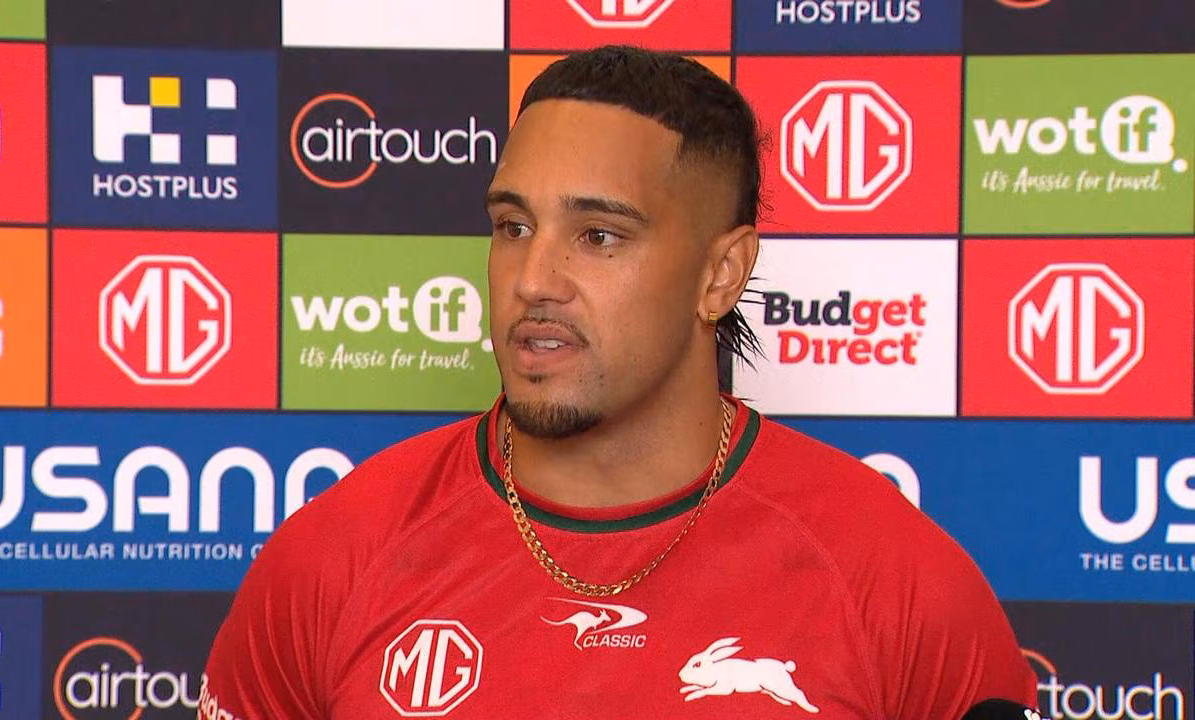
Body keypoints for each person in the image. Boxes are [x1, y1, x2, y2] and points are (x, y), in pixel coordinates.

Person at [199, 45, 1036, 719]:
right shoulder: (333, 561)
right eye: (512, 226)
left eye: (598, 236)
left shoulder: (893, 584)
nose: (534, 279)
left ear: (721, 275)